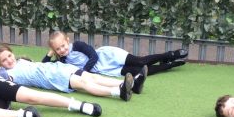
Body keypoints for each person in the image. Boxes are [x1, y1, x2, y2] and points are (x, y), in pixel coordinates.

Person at [0, 43, 145, 102]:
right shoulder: (8, 74)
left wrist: (49, 55)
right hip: (53, 78)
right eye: (4, 60)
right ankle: (119, 92)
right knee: (84, 83)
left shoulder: (22, 61)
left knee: (92, 76)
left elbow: (41, 64)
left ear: (12, 53)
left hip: (60, 68)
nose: (9, 60)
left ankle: (132, 85)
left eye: (9, 55)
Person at [43, 30, 188, 93]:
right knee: (138, 71)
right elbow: (44, 66)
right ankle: (170, 65)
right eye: (58, 49)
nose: (62, 50)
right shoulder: (62, 60)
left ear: (67, 40)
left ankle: (171, 54)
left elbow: (94, 56)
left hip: (107, 57)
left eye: (63, 45)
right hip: (105, 69)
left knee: (139, 61)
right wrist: (50, 53)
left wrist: (84, 72)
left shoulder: (78, 45)